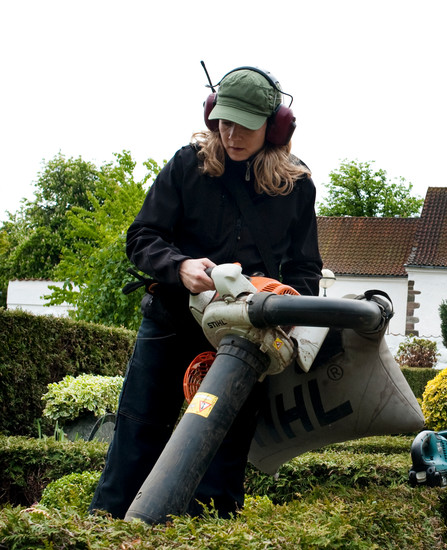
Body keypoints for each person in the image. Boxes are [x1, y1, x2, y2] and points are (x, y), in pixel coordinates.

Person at [89, 66, 323, 519]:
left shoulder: (296, 186)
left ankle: (209, 536)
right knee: (138, 435)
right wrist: (178, 266)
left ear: (274, 128)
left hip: (242, 339)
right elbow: (141, 238)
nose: (230, 134)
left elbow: (305, 270)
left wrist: (281, 300)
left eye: (245, 125)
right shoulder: (187, 164)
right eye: (224, 120)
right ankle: (107, 532)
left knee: (223, 450)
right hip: (172, 320)